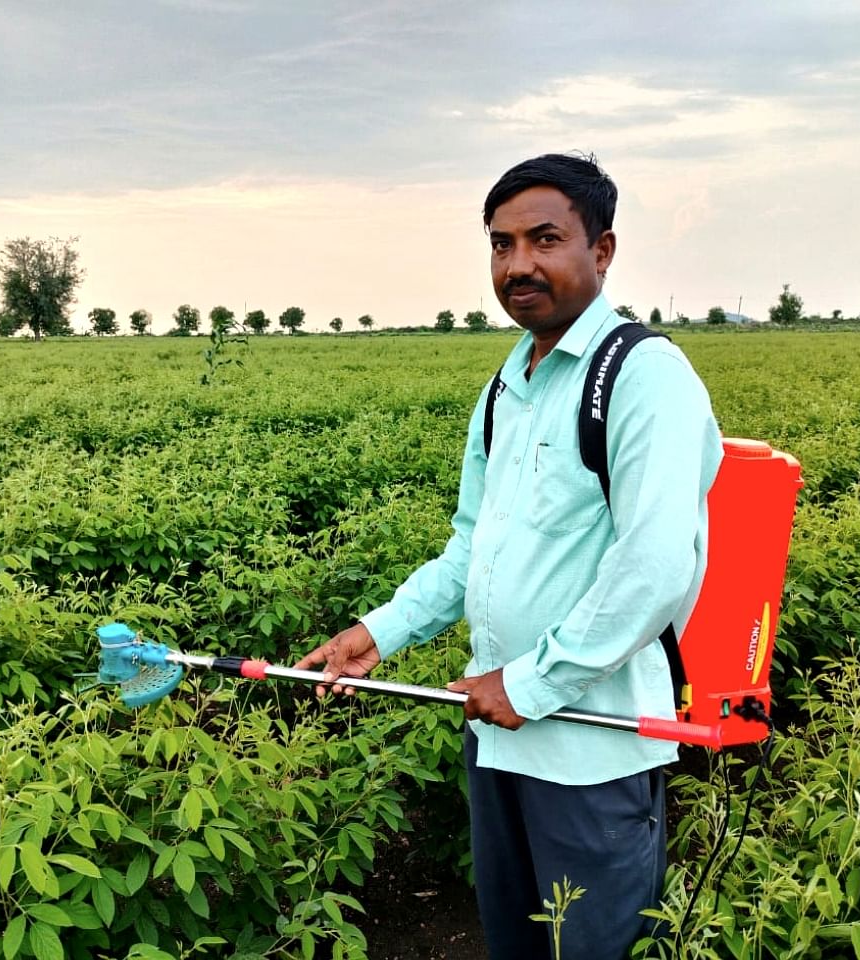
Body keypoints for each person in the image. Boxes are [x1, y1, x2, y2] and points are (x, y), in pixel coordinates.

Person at [296, 153, 722, 960]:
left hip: (592, 748)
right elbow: (471, 549)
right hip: (498, 736)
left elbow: (655, 566)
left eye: (544, 239)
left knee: (594, 948)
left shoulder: (644, 377)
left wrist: (529, 684)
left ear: (602, 251)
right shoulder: (506, 389)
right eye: (500, 244)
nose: (517, 264)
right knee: (517, 942)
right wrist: (379, 632)